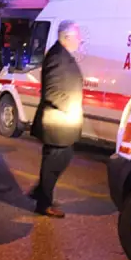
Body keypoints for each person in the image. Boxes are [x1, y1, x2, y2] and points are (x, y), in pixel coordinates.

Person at [28, 21, 84, 218]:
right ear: (67, 37)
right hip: (57, 121)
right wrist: (69, 107)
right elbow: (51, 91)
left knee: (60, 158)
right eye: (78, 37)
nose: (80, 40)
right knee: (55, 161)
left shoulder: (62, 54)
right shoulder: (57, 57)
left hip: (61, 121)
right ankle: (43, 203)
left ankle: (42, 192)